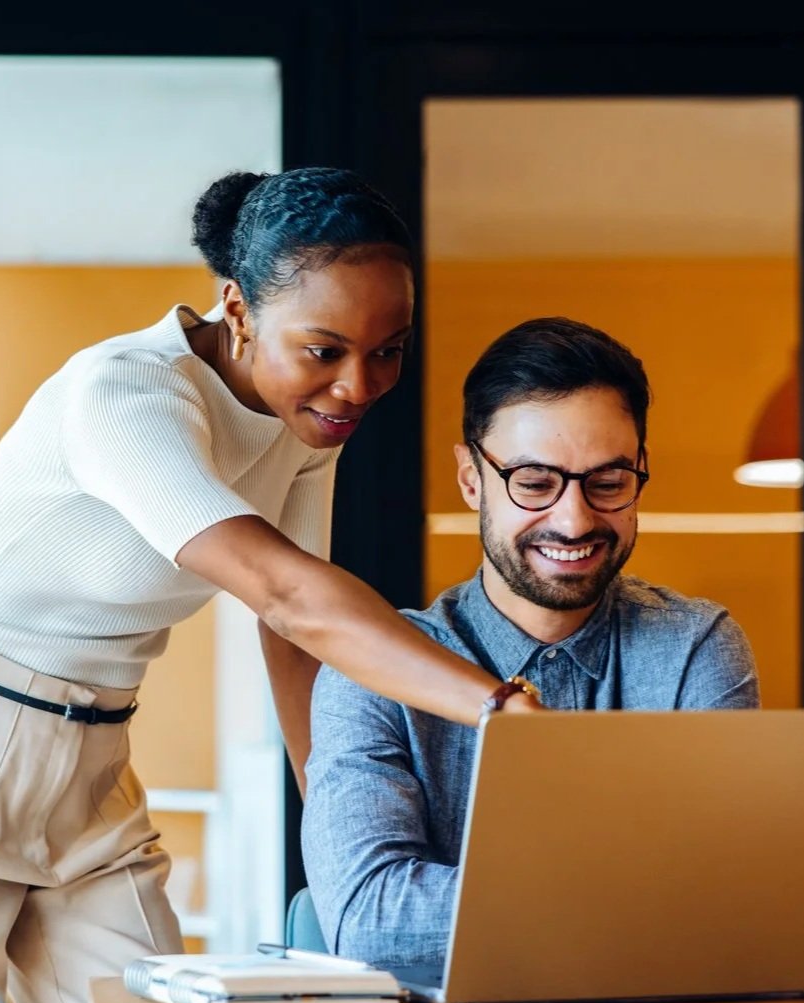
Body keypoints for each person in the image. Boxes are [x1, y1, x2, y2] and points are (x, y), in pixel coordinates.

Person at [0, 168, 540, 1003]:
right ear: (236, 310)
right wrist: (496, 709)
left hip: (90, 765)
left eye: (387, 350)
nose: (356, 385)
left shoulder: (303, 423)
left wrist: (333, 819)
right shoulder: (122, 394)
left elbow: (292, 635)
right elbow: (282, 591)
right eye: (324, 349)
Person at [302, 316, 761, 969]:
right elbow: (372, 923)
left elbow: (740, 907)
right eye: (535, 483)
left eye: (607, 482)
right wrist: (653, 900)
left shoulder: (692, 647)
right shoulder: (370, 670)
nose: (573, 520)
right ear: (470, 479)